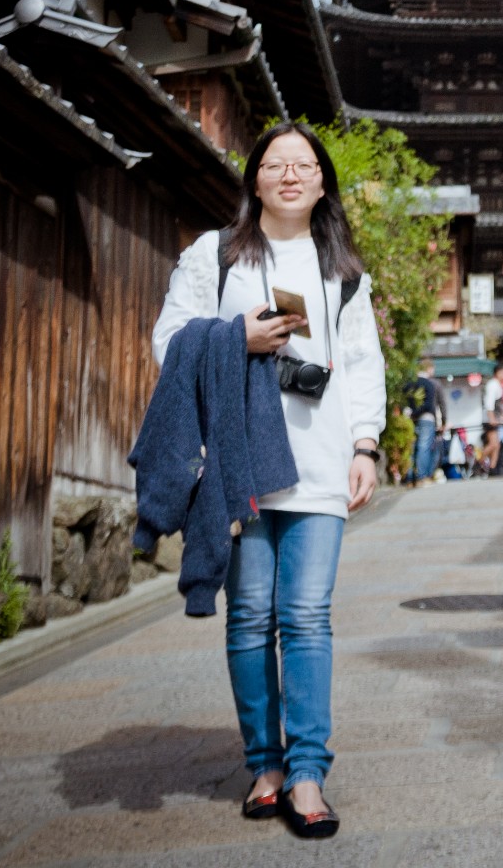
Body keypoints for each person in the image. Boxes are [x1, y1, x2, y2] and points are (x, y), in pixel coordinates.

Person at [151, 121, 387, 841]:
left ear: (322, 182)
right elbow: (168, 338)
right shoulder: (214, 255)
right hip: (241, 459)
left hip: (319, 462)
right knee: (251, 613)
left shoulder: (344, 269)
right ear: (254, 180)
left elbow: (362, 359)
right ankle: (266, 765)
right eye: (275, 164)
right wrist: (237, 339)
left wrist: (366, 445)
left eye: (304, 164)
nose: (290, 174)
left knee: (306, 615)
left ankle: (309, 769)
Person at [403, 363, 440, 485]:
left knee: (411, 448)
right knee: (424, 447)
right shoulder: (429, 384)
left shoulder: (409, 384)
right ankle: (421, 477)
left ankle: (409, 478)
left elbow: (403, 400)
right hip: (426, 419)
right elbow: (429, 404)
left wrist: (412, 412)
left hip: (411, 419)